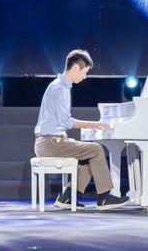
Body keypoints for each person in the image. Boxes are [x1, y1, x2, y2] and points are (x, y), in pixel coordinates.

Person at [34, 49, 130, 211]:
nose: (85, 77)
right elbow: (66, 122)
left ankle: (67, 197)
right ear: (76, 68)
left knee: (89, 156)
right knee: (96, 149)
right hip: (50, 143)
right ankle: (104, 197)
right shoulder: (59, 88)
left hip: (50, 141)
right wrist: (93, 124)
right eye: (85, 72)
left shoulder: (60, 86)